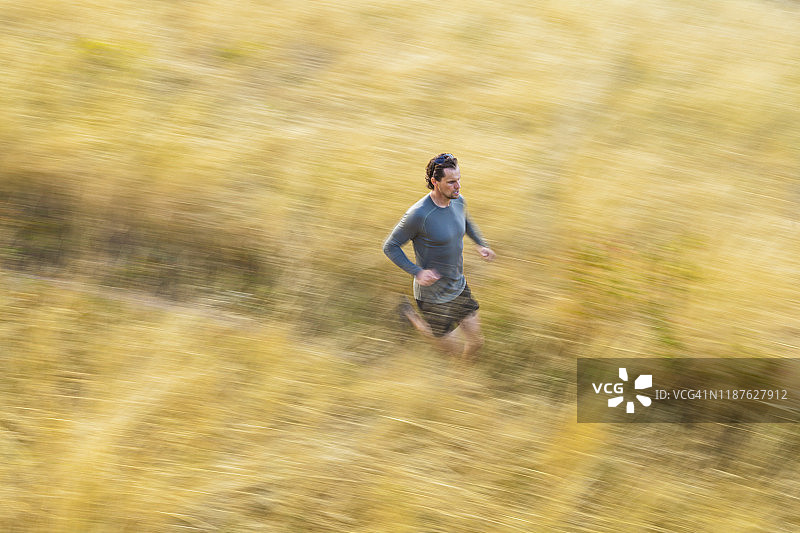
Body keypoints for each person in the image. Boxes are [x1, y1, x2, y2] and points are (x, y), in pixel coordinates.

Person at [383, 153, 496, 361]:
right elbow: (390, 246)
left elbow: (466, 221)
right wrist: (418, 272)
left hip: (457, 286)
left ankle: (461, 377)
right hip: (432, 296)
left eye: (459, 179)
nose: (458, 186)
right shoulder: (418, 214)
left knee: (477, 342)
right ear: (435, 182)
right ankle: (411, 317)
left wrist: (481, 244)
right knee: (453, 352)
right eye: (451, 182)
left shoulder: (458, 201)